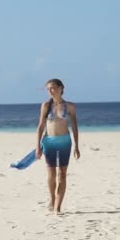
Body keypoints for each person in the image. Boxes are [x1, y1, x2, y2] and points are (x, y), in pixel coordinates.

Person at [35, 78, 80, 215]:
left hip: (65, 142)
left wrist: (77, 146)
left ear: (61, 88)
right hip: (49, 142)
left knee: (62, 174)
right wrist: (38, 146)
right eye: (48, 89)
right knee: (52, 174)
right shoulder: (45, 106)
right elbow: (41, 126)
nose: (50, 91)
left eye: (53, 88)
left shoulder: (70, 106)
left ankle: (58, 207)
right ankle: (53, 198)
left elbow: (75, 127)